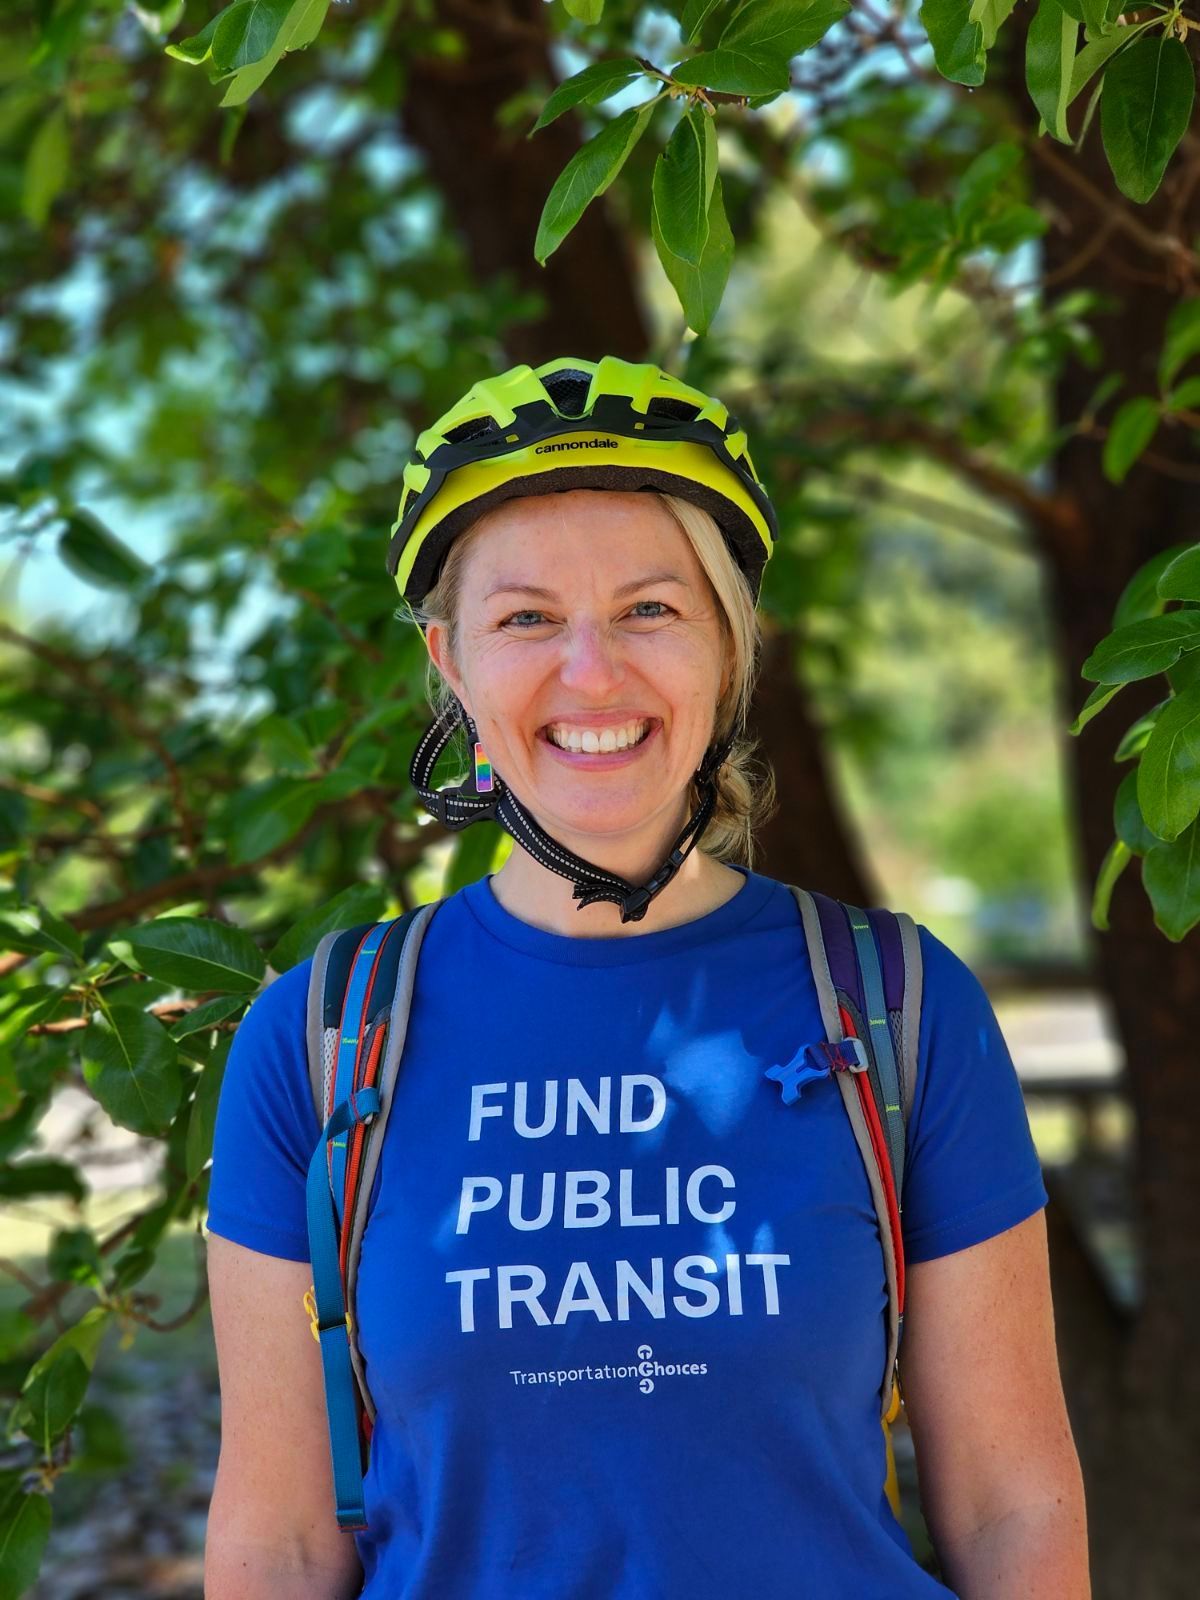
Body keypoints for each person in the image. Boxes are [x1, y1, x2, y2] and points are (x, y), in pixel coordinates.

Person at [203, 357, 1090, 1599]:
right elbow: (281, 1546)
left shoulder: (897, 1002)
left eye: (650, 609)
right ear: (451, 662)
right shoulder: (320, 1038)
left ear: (728, 645)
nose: (592, 672)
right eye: (525, 619)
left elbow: (1012, 1508)